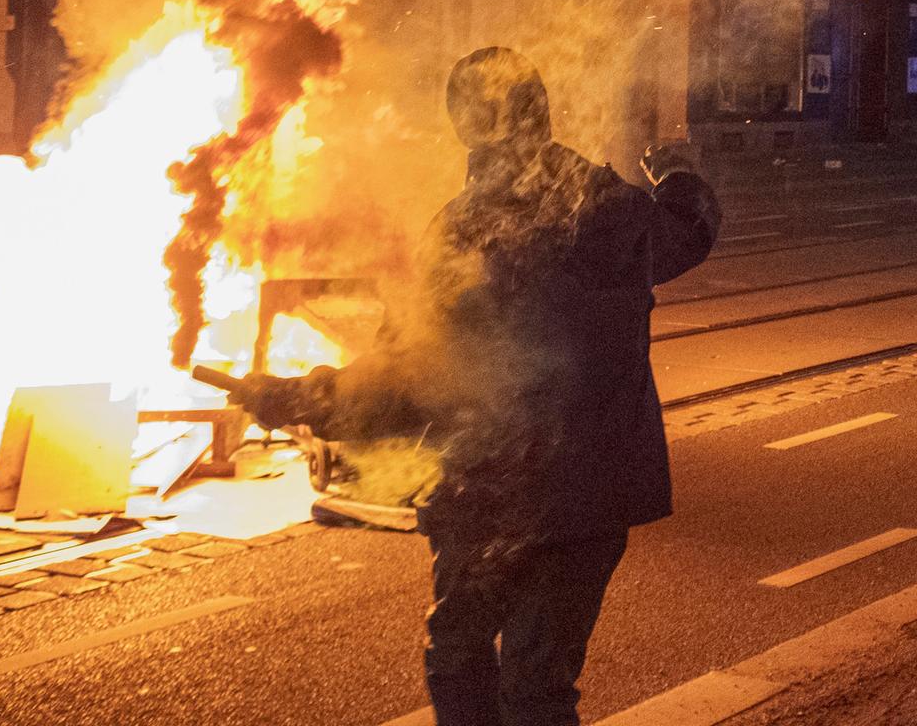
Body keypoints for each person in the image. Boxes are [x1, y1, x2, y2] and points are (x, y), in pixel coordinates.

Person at [230, 47, 721, 726]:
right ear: (541, 112)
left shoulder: (459, 233)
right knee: (537, 685)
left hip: (489, 492)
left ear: (464, 126)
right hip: (586, 496)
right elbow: (688, 235)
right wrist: (679, 175)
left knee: (460, 655)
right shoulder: (603, 203)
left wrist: (291, 399)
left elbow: (396, 379)